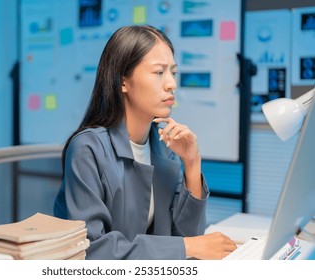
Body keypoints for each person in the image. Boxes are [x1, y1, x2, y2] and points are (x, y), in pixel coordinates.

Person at [53, 25, 236, 260]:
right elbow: (91, 250)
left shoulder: (165, 149)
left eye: (173, 72)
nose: (172, 84)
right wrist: (188, 247)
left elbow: (189, 236)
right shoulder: (87, 149)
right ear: (123, 82)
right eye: (159, 72)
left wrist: (192, 164)